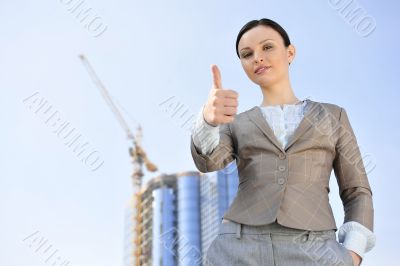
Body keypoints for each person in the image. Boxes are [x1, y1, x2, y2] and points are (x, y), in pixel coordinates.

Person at [190, 18, 376, 266]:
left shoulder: (333, 116)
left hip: (316, 248)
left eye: (267, 47)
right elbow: (208, 162)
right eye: (247, 54)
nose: (257, 57)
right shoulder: (235, 122)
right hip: (239, 246)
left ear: (290, 52)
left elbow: (357, 191)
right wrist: (209, 120)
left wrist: (352, 253)